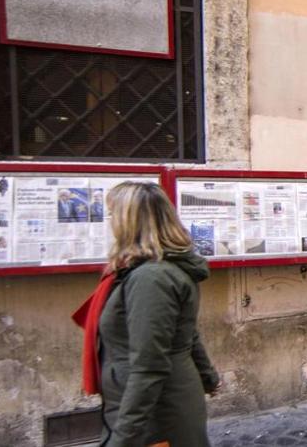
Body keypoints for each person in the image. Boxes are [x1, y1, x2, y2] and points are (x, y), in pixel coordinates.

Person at [73, 182, 220, 446]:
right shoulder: (146, 271)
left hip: (156, 414)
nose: (110, 223)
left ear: (129, 222)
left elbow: (150, 364)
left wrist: (123, 438)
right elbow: (185, 332)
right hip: (152, 404)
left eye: (113, 214)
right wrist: (208, 376)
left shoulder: (152, 278)